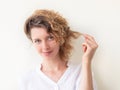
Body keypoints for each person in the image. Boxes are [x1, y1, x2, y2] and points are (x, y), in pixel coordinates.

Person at [19, 9, 98, 90]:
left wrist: (87, 60)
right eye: (37, 41)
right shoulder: (28, 79)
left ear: (61, 37)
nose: (45, 47)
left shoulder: (82, 72)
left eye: (50, 38)